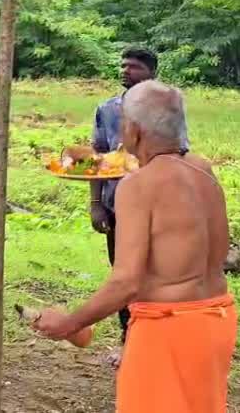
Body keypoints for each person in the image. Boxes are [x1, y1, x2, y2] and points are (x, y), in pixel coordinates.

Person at [35, 81, 236, 413]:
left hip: (167, 329)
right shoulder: (203, 170)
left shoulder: (137, 186)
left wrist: (70, 323)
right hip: (217, 319)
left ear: (134, 130)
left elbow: (125, 282)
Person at [88, 47, 188, 363]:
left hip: (159, 206)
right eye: (123, 66)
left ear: (152, 74)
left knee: (157, 274)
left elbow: (180, 151)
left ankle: (159, 340)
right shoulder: (107, 109)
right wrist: (95, 203)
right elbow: (97, 159)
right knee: (123, 272)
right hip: (117, 205)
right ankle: (128, 339)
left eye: (134, 67)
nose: (126, 71)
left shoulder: (168, 109)